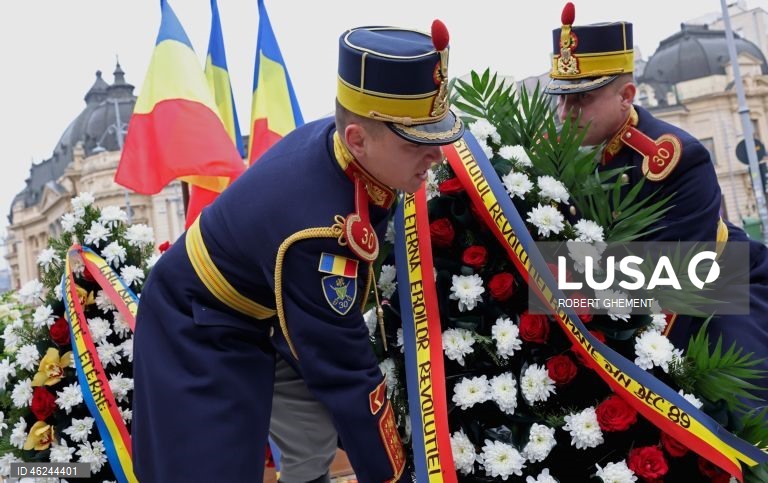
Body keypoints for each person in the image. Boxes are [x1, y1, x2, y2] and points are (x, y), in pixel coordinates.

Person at [131, 20, 464, 483]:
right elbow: (346, 372)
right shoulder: (318, 231)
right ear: (357, 139)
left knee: (311, 441)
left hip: (267, 310)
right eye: (416, 144)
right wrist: (397, 476)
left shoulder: (354, 156)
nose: (437, 156)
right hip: (195, 323)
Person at [544, 2, 768, 407]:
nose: (565, 113)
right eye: (561, 99)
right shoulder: (561, 157)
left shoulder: (675, 157)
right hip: (623, 298)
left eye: (581, 99)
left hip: (719, 284)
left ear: (626, 95)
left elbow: (679, 280)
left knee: (735, 390)